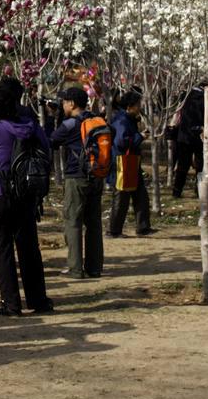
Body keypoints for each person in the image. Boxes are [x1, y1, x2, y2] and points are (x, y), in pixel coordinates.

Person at [0, 85, 53, 316]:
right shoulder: (32, 126)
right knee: (30, 251)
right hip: (26, 196)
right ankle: (39, 301)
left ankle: (11, 304)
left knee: (2, 252)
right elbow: (46, 149)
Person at [50, 87, 104, 279]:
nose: (62, 105)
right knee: (94, 223)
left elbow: (52, 141)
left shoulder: (70, 123)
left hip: (76, 177)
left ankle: (75, 268)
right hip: (97, 176)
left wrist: (56, 119)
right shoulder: (97, 120)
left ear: (71, 103)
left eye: (64, 102)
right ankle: (94, 267)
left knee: (73, 221)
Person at [108, 90, 152, 237]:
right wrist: (139, 136)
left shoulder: (128, 118)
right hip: (122, 164)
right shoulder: (121, 120)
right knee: (121, 196)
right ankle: (114, 231)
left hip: (132, 162)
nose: (140, 107)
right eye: (138, 105)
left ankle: (143, 227)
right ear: (130, 106)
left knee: (141, 195)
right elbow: (121, 142)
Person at [172, 84, 205, 198]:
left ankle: (177, 191)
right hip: (200, 135)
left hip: (184, 135)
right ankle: (200, 190)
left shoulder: (184, 96)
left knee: (182, 166)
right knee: (201, 166)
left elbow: (178, 113)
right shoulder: (205, 97)